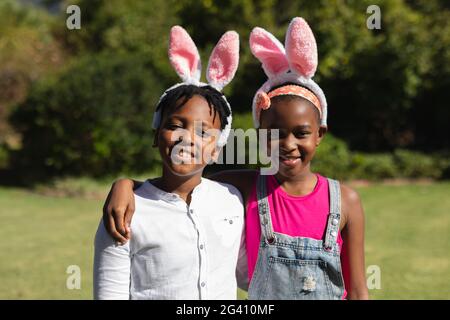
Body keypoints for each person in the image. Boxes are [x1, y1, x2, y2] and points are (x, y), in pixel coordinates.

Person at [103, 17, 369, 300]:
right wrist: (126, 185)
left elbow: (358, 292)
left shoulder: (345, 201)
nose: (288, 144)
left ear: (320, 134)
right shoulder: (242, 188)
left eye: (301, 133)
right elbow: (180, 180)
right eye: (274, 134)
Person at [93, 26, 247, 299]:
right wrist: (125, 185)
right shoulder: (124, 214)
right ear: (156, 135)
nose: (187, 138)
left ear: (217, 150)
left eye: (203, 132)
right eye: (175, 125)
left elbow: (250, 273)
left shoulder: (232, 200)